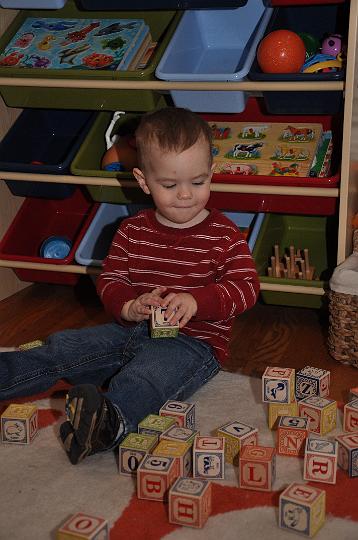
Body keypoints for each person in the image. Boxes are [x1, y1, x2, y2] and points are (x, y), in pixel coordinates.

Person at [0, 107, 259, 465]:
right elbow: (113, 280)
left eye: (198, 182)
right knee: (66, 347)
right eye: (169, 185)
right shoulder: (131, 230)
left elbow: (245, 287)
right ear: (143, 180)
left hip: (194, 344)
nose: (185, 195)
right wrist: (128, 306)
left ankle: (108, 423)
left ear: (211, 173)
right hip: (130, 331)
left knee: (147, 377)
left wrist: (197, 302)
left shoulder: (224, 235)